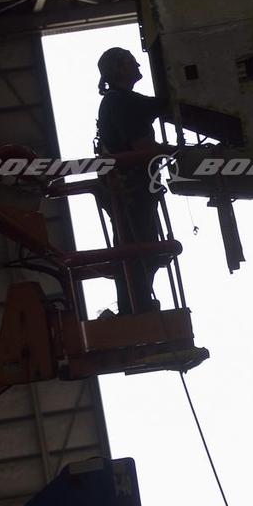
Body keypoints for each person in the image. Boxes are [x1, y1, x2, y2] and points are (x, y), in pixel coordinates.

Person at [96, 47, 167, 314]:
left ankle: (136, 308)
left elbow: (153, 106)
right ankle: (135, 310)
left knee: (144, 250)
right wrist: (173, 151)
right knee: (140, 250)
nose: (138, 64)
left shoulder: (121, 100)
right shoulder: (120, 103)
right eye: (131, 61)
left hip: (132, 189)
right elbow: (142, 147)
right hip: (131, 190)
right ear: (118, 68)